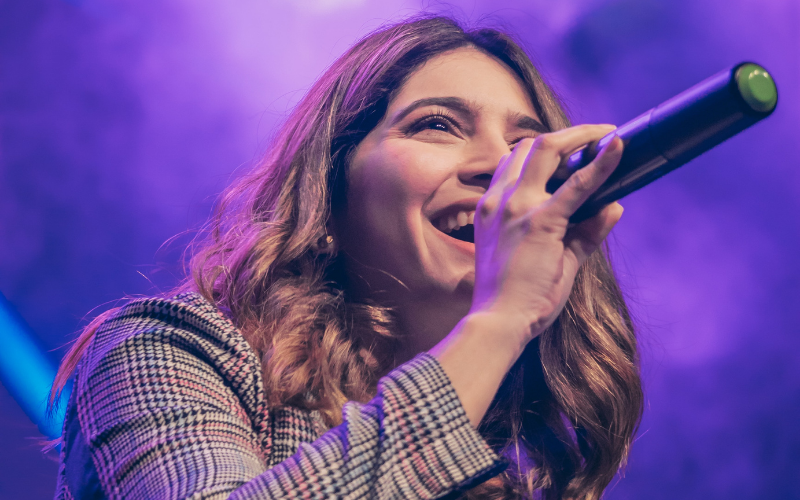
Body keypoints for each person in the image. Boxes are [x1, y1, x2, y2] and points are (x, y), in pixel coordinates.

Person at [48, 15, 642, 500]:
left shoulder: (521, 458)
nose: (499, 166)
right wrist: (500, 323)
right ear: (327, 196)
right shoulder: (166, 352)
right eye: (437, 125)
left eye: (524, 146)